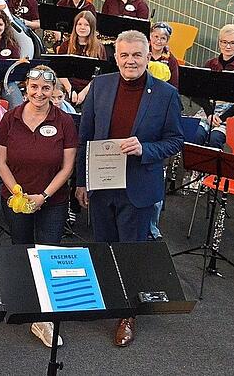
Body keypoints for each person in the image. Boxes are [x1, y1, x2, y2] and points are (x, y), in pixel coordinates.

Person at [75, 30, 183, 347]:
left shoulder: (166, 94)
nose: (130, 61)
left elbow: (175, 140)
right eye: (124, 55)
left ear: (148, 56)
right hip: (101, 183)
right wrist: (81, 181)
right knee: (103, 246)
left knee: (131, 251)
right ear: (116, 57)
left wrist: (145, 149)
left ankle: (128, 314)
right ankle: (107, 298)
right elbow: (85, 136)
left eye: (137, 55)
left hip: (138, 187)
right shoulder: (102, 85)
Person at [0, 65, 78, 347]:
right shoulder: (10, 118)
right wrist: (16, 191)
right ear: (25, 89)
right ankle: (25, 303)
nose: (39, 93)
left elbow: (67, 167)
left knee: (48, 254)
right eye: (33, 87)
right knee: (21, 249)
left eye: (46, 88)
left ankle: (45, 318)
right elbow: (1, 162)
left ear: (54, 90)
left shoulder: (64, 121)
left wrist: (43, 195)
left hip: (51, 200)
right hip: (16, 198)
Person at [189, 24, 234, 149]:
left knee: (215, 139)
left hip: (231, 114)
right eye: (224, 42)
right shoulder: (210, 64)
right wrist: (209, 114)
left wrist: (222, 117)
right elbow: (199, 93)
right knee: (196, 135)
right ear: (219, 43)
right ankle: (195, 168)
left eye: (233, 43)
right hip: (209, 110)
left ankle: (213, 168)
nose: (228, 46)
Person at [56, 11, 107, 106]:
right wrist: (70, 90)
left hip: (89, 87)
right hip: (68, 86)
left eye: (86, 25)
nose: (82, 27)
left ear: (92, 28)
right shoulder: (65, 45)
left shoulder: (99, 47)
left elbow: (100, 75)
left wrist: (84, 93)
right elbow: (59, 72)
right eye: (79, 24)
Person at [149, 22, 180, 89]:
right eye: (156, 36)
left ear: (167, 41)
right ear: (150, 36)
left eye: (163, 38)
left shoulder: (171, 60)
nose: (158, 41)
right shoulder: (142, 53)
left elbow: (174, 85)